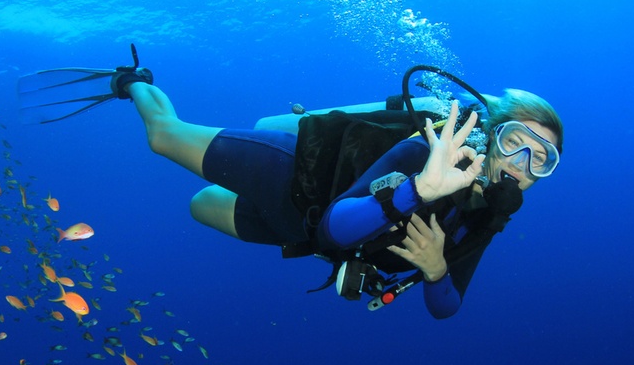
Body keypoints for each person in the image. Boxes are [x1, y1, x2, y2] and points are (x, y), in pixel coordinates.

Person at [113, 70, 563, 319]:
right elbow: (336, 224)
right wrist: (419, 189)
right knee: (164, 138)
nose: (521, 164)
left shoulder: (485, 217)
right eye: (514, 142)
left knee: (200, 206)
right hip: (299, 176)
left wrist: (436, 267)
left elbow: (446, 307)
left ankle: (238, 159)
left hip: (299, 227)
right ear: (491, 134)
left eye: (541, 159)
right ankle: (133, 80)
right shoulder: (433, 146)